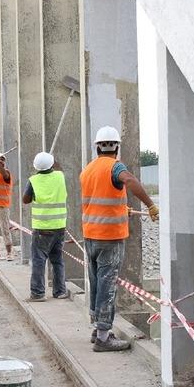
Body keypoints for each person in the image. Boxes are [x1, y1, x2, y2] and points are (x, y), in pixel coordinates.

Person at [80, 126, 159, 352]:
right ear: (116, 146)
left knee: (96, 282)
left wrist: (119, 209)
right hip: (110, 238)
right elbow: (129, 180)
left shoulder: (88, 170)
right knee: (107, 285)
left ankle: (97, 330)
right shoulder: (116, 167)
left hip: (90, 235)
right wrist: (150, 205)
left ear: (97, 147)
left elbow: (99, 200)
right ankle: (104, 337)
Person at [22, 152, 69, 302]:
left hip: (42, 228)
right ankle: (60, 291)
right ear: (52, 163)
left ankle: (38, 293)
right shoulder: (60, 176)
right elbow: (58, 167)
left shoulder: (33, 180)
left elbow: (25, 199)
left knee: (39, 260)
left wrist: (36, 189)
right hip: (59, 226)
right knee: (57, 260)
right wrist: (53, 159)